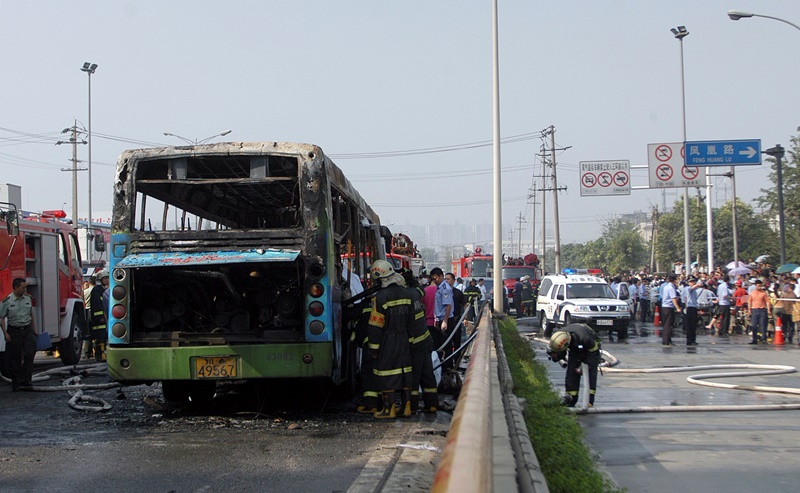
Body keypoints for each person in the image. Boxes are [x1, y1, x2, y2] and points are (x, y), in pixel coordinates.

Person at [367, 260, 414, 418]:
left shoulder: (380, 297)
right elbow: (413, 320)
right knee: (405, 371)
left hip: (388, 339)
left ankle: (389, 409)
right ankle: (406, 407)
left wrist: (374, 348)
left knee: (385, 372)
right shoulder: (407, 293)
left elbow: (375, 326)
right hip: (404, 337)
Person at [401, 269, 439, 413]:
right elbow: (420, 290)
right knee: (427, 373)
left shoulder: (405, 297)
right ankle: (432, 404)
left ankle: (412, 405)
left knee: (414, 375)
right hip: (425, 339)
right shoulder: (417, 293)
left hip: (415, 342)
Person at [546, 324, 601, 407]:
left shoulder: (586, 338)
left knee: (591, 373)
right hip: (575, 347)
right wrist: (556, 355)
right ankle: (570, 398)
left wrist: (586, 364)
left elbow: (594, 354)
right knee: (572, 371)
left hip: (591, 349)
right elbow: (562, 351)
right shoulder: (560, 337)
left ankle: (589, 400)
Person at [0, 278, 38, 391]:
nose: (25, 289)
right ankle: (16, 382)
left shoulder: (27, 299)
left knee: (30, 353)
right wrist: (5, 333)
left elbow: (31, 315)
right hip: (14, 331)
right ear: (16, 288)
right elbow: (2, 317)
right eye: (23, 287)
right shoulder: (7, 301)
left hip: (27, 330)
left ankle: (26, 380)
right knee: (15, 358)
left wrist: (34, 330)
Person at [430, 268, 455, 370]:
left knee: (446, 346)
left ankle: (447, 369)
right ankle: (442, 367)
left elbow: (448, 305)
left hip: (446, 319)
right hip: (440, 319)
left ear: (441, 276)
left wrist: (445, 321)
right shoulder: (439, 288)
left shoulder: (445, 288)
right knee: (440, 344)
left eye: (435, 278)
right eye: (433, 279)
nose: (434, 280)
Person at [89, 270, 109, 361]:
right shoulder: (96, 290)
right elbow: (96, 305)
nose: (107, 280)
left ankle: (103, 353)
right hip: (99, 320)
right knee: (100, 336)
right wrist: (100, 317)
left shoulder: (104, 290)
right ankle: (100, 354)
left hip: (105, 318)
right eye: (105, 278)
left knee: (104, 336)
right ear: (100, 279)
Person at [748, 279, 772, 345]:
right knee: (754, 325)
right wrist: (749, 310)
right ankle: (754, 339)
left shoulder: (763, 293)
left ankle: (764, 339)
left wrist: (768, 309)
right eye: (758, 286)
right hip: (754, 310)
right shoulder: (752, 293)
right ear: (755, 285)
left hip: (762, 310)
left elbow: (767, 302)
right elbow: (749, 302)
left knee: (763, 325)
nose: (760, 287)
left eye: (761, 286)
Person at [659, 274, 681, 345]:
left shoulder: (666, 286)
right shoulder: (671, 288)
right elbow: (673, 298)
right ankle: (666, 341)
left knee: (666, 324)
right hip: (669, 307)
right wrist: (677, 308)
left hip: (664, 306)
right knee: (668, 325)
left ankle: (667, 340)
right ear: (674, 280)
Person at [682, 277, 700, 345]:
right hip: (690, 307)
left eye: (694, 281)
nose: (693, 283)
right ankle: (689, 340)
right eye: (691, 282)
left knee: (694, 325)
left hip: (694, 307)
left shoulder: (695, 291)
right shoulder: (687, 288)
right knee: (690, 325)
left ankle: (693, 339)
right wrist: (697, 285)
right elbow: (690, 289)